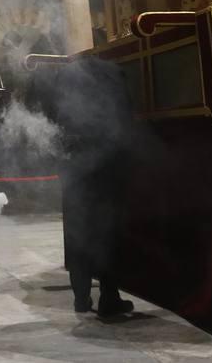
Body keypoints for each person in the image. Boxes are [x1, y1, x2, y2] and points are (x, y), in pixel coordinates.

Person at [35, 56, 136, 321]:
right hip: (106, 164)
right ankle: (109, 298)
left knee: (77, 230)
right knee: (106, 232)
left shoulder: (64, 77)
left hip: (73, 165)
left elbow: (50, 119)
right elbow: (125, 117)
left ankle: (81, 297)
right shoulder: (113, 73)